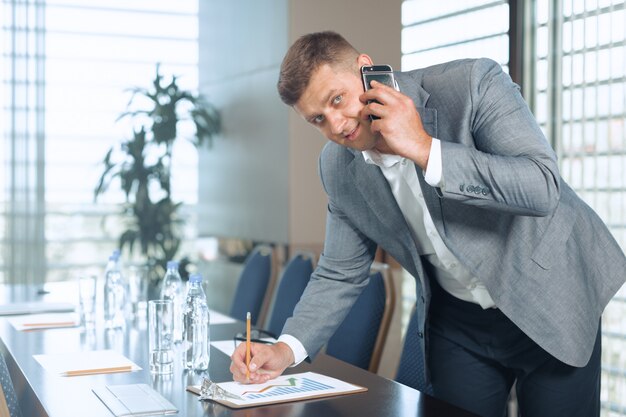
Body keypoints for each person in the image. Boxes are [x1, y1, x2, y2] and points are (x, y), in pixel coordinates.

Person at [230, 31, 626, 417]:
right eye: (318, 118)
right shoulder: (337, 168)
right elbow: (339, 272)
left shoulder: (472, 84)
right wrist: (284, 350)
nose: (336, 126)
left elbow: (541, 187)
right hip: (458, 322)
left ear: (366, 70)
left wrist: (423, 148)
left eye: (338, 99)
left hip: (548, 293)